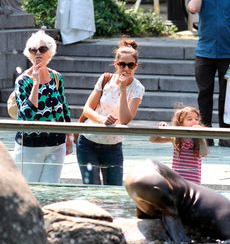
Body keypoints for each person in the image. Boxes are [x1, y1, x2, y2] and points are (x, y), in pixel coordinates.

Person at [76, 38, 145, 186]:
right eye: (122, 64)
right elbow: (87, 109)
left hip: (113, 146)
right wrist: (102, 120)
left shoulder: (137, 88)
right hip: (88, 142)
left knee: (113, 192)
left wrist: (123, 89)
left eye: (130, 65)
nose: (126, 69)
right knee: (91, 190)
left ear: (136, 66)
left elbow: (125, 119)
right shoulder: (105, 79)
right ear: (116, 64)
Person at [14, 29, 72, 183]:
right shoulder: (22, 81)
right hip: (30, 145)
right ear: (29, 53)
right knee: (29, 190)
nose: (38, 53)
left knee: (50, 191)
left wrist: (69, 136)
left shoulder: (56, 77)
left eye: (42, 49)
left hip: (57, 143)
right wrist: (36, 83)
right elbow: (27, 114)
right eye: (33, 50)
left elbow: (64, 109)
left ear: (50, 53)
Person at [187, 0, 230, 147]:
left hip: (228, 54)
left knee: (227, 96)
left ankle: (226, 134)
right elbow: (192, 8)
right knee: (204, 94)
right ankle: (205, 135)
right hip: (205, 52)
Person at [150, 106, 208, 184]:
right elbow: (153, 140)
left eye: (196, 119)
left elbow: (204, 153)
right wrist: (160, 129)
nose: (194, 121)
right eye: (189, 119)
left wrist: (200, 136)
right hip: (177, 178)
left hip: (193, 179)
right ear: (181, 122)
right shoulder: (176, 138)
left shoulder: (198, 139)